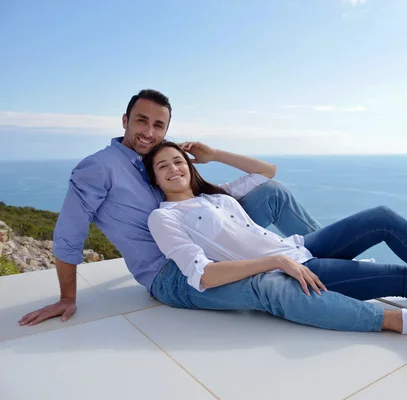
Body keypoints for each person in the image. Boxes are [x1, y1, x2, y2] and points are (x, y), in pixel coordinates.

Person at [142, 140, 407, 334]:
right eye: (164, 167)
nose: (175, 169)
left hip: (300, 249)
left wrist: (215, 156)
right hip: (296, 268)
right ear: (155, 179)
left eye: (178, 161)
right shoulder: (164, 218)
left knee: (382, 217)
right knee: (399, 277)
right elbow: (204, 276)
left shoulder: (218, 195)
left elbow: (267, 172)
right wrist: (275, 262)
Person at [18, 89, 323, 327]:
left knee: (271, 192)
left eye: (158, 125)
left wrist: (213, 155)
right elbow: (69, 233)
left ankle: (323, 260)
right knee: (268, 287)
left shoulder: (161, 161)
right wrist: (67, 297)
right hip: (172, 270)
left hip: (206, 240)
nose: (149, 133)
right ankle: (328, 277)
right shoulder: (98, 167)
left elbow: (256, 177)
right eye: (141, 121)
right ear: (125, 120)